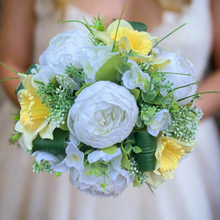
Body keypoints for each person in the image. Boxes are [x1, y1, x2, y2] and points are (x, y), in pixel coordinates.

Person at [0, 0, 220, 219]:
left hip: (176, 154)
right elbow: (9, 62)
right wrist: (67, 123)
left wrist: (166, 120)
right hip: (58, 154)